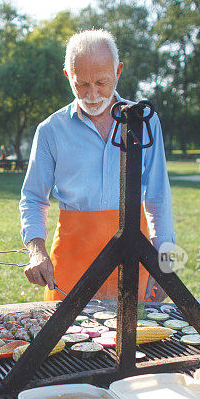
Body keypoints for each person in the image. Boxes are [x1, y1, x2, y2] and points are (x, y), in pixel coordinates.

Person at [19, 29, 176, 302]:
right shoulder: (50, 130)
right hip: (72, 261)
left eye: (102, 83)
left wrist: (164, 264)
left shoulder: (145, 121)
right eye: (82, 84)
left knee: (135, 342)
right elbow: (33, 198)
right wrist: (36, 250)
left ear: (118, 71)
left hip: (134, 256)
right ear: (68, 75)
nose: (92, 95)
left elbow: (158, 196)